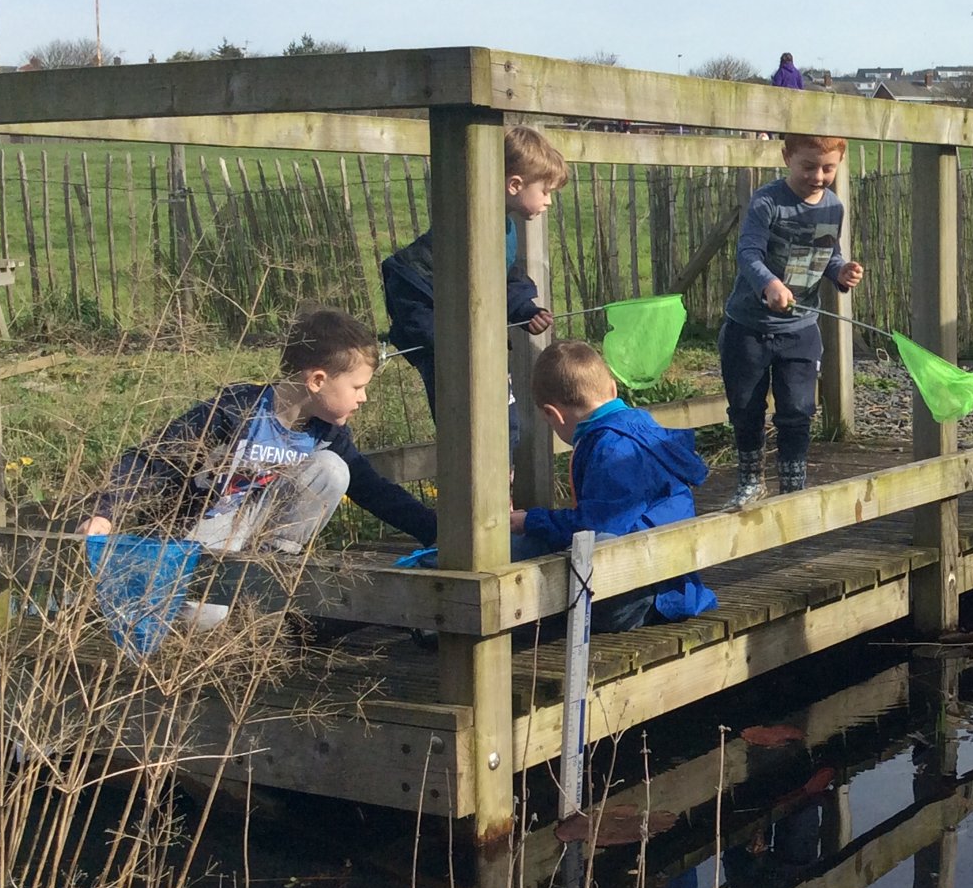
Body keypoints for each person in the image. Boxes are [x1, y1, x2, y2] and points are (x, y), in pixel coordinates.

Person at [84, 309, 436, 622]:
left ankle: (265, 577)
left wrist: (435, 531)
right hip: (204, 528)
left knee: (332, 468)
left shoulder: (327, 433)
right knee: (207, 618)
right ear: (316, 381)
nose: (363, 398)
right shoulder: (235, 412)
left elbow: (374, 491)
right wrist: (105, 510)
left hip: (260, 535)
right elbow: (151, 459)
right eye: (357, 387)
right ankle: (136, 598)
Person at [509, 339, 716, 624]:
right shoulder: (641, 428)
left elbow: (597, 527)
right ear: (613, 389)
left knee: (525, 554)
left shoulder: (613, 449)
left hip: (643, 594)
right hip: (672, 579)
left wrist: (531, 521)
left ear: (552, 414)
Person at [382, 125, 565, 428]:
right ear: (515, 184)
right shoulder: (470, 224)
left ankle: (503, 470)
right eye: (545, 191)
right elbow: (417, 287)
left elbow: (503, 275)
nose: (548, 201)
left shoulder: (504, 226)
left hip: (479, 342)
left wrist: (525, 310)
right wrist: (449, 345)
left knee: (503, 422)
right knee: (464, 421)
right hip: (441, 334)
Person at [721, 134, 867, 507]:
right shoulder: (768, 202)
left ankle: (793, 487)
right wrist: (768, 283)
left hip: (800, 329)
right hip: (749, 327)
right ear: (787, 157)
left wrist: (841, 272)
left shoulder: (833, 207)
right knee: (746, 407)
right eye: (808, 166)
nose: (818, 176)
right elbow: (748, 252)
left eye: (828, 168)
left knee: (798, 409)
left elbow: (826, 253)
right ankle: (751, 481)